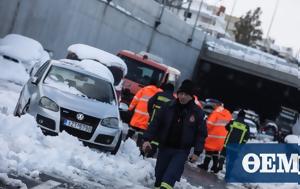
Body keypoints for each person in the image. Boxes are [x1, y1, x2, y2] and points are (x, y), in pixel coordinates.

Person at [142, 79, 207, 189]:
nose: (182, 97)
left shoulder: (197, 113)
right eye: (180, 93)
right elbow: (155, 123)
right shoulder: (168, 107)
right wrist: (147, 139)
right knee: (159, 176)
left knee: (170, 176)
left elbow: (201, 134)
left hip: (181, 151)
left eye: (186, 94)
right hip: (165, 147)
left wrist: (197, 152)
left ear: (191, 96)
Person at [198, 100, 232, 173]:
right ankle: (214, 166)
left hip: (213, 136)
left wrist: (203, 130)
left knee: (209, 150)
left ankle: (205, 165)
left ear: (217, 105)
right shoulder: (228, 113)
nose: (213, 106)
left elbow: (209, 124)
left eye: (214, 105)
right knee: (215, 151)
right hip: (222, 138)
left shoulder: (216, 113)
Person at [125, 80, 161, 146]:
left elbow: (135, 99)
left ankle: (126, 142)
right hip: (147, 117)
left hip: (138, 115)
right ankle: (139, 146)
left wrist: (130, 109)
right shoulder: (159, 92)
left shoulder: (144, 89)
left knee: (132, 129)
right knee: (142, 133)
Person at [145, 83, 175, 157]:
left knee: (150, 131)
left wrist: (150, 111)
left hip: (154, 116)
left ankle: (144, 149)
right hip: (165, 120)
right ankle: (152, 152)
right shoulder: (173, 99)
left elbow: (150, 102)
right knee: (158, 136)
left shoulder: (159, 94)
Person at [216, 109, 250, 174]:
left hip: (228, 143)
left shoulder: (233, 122)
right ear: (244, 117)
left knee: (223, 155)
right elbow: (247, 137)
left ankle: (220, 165)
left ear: (238, 115)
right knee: (232, 160)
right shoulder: (246, 126)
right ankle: (228, 173)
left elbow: (226, 127)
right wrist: (242, 143)